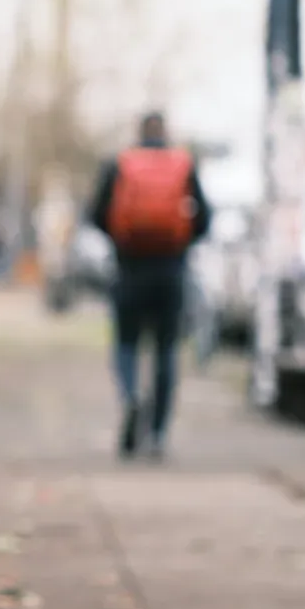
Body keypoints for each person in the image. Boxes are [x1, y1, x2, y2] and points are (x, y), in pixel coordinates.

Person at [89, 112, 211, 458]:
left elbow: (96, 214)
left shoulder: (119, 165)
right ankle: (157, 433)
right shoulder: (184, 165)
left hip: (129, 269)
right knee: (165, 350)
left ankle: (130, 400)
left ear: (139, 132)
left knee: (126, 344)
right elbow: (204, 219)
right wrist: (180, 243)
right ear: (165, 132)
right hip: (170, 271)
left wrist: (121, 241)